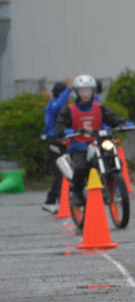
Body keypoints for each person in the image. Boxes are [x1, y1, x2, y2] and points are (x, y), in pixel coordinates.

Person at [52, 75, 129, 208]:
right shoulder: (69, 109)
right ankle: (77, 193)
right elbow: (60, 126)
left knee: (113, 159)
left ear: (93, 91)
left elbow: (112, 117)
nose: (86, 94)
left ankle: (111, 185)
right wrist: (66, 131)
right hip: (78, 145)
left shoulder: (99, 107)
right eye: (82, 91)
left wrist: (123, 123)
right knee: (81, 167)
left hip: (97, 143)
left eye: (88, 90)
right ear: (77, 92)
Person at [41, 81, 70, 212]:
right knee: (60, 171)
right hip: (54, 141)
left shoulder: (55, 103)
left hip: (59, 140)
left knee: (64, 172)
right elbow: (57, 106)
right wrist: (69, 89)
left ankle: (56, 200)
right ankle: (53, 201)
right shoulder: (54, 104)